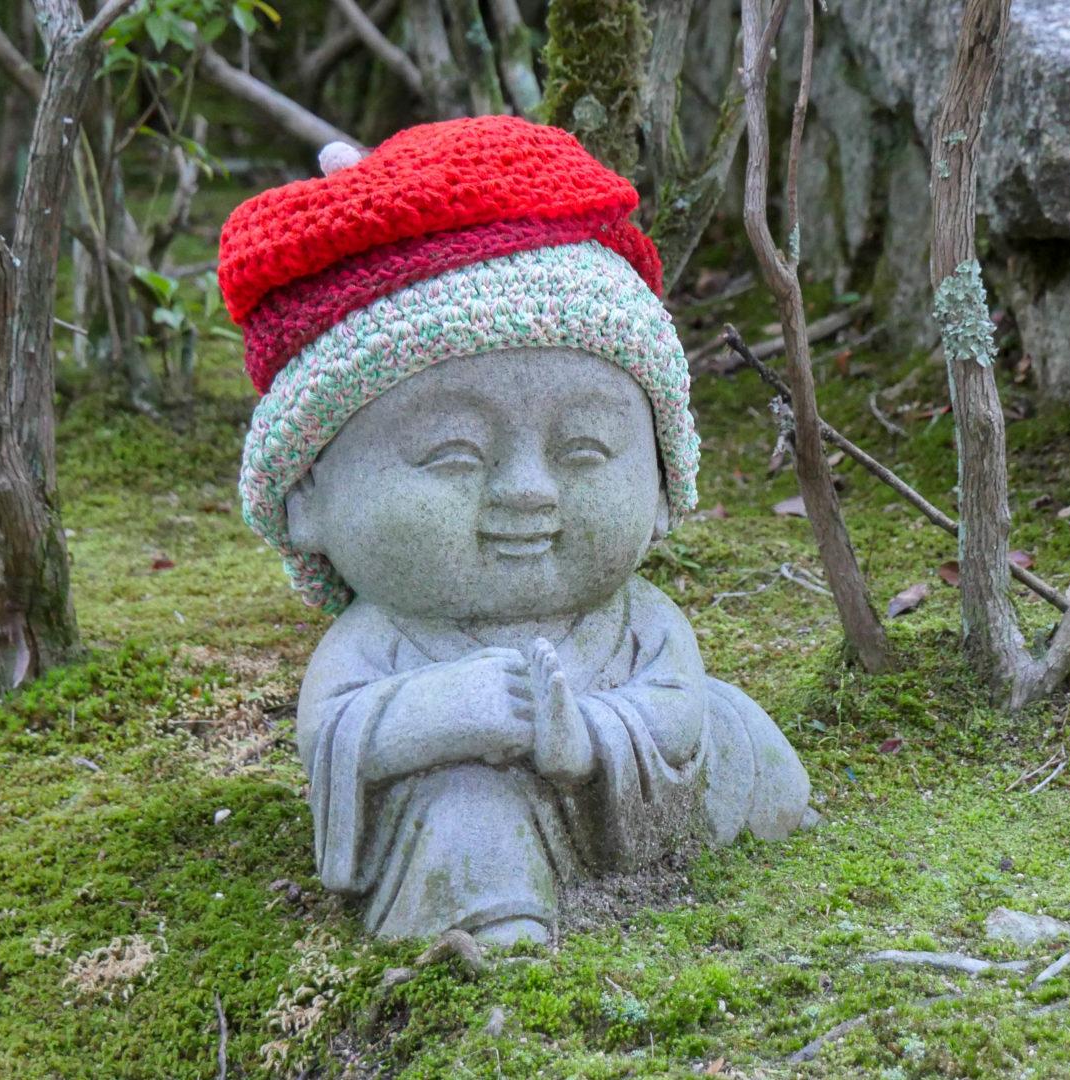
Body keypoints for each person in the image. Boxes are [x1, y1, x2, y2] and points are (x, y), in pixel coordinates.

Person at [218, 116, 812, 942]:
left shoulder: (641, 623)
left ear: (664, 487)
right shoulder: (378, 642)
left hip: (631, 793)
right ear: (306, 497)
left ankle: (768, 832)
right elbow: (333, 735)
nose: (527, 490)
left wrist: (586, 737)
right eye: (454, 454)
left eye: (584, 448)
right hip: (460, 795)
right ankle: (495, 927)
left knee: (732, 727)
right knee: (466, 805)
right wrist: (438, 710)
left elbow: (674, 714)